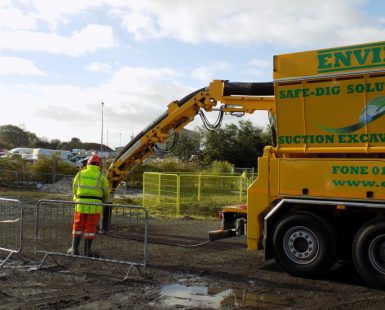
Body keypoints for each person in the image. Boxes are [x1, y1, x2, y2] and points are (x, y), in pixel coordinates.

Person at [67, 153, 110, 256]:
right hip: (95, 206)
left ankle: (74, 249)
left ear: (88, 163)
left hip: (80, 204)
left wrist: (76, 199)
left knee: (77, 226)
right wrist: (103, 202)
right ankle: (87, 251)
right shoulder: (101, 176)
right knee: (90, 228)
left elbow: (74, 188)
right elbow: (106, 192)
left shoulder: (80, 174)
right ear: (99, 164)